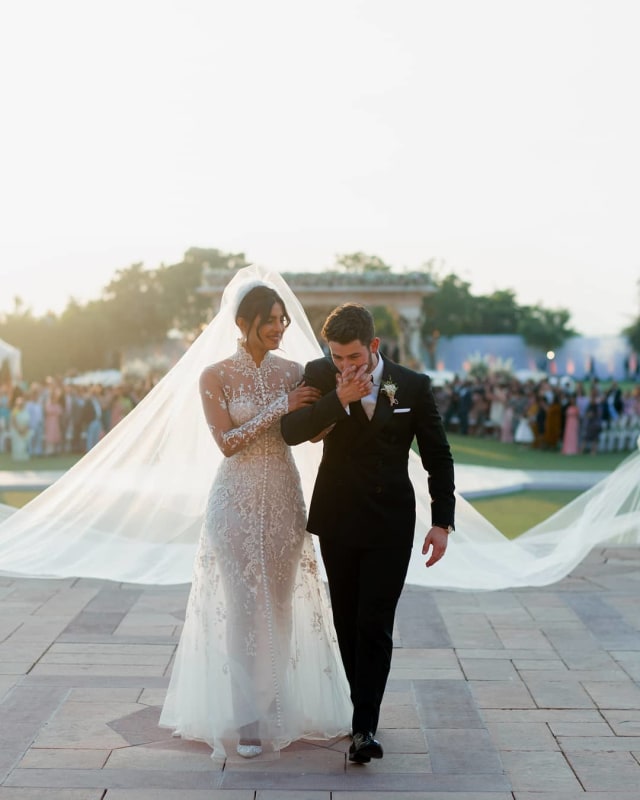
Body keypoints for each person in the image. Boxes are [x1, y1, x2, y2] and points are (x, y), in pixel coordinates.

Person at [159, 283, 351, 761]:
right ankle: (246, 718)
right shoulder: (215, 375)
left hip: (284, 499)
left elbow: (305, 434)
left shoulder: (294, 371)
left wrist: (331, 410)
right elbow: (228, 442)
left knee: (281, 607)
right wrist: (278, 408)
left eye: (283, 319)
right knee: (244, 610)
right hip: (235, 501)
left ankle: (276, 708)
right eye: (269, 319)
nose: (279, 328)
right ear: (243, 322)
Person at [281, 303, 455, 764]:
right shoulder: (319, 373)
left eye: (353, 358)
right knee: (346, 622)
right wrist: (337, 398)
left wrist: (442, 521)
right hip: (338, 518)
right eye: (337, 357)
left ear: (374, 346)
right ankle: (361, 715)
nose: (345, 366)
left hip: (390, 522)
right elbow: (291, 431)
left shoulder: (412, 385)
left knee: (374, 624)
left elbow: (438, 454)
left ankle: (364, 728)